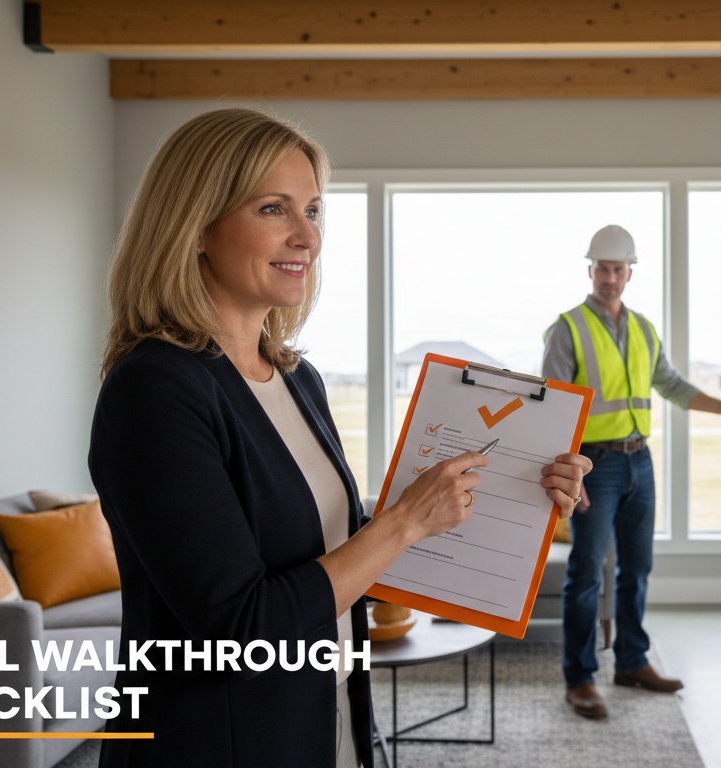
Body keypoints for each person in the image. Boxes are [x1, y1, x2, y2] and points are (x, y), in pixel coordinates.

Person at [88, 107, 590, 767]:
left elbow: (341, 559)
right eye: (274, 209)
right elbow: (241, 629)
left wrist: (516, 498)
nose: (307, 237)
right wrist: (402, 522)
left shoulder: (298, 379)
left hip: (331, 723)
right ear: (197, 226)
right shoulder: (154, 389)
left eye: (314, 211)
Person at [542, 224, 721, 719]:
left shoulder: (643, 328)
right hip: (595, 465)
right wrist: (569, 475)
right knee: (586, 573)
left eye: (618, 269)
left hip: (640, 460)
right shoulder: (569, 327)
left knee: (636, 568)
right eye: (602, 268)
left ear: (629, 273)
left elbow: (673, 385)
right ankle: (579, 678)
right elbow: (553, 406)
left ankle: (632, 662)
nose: (610, 277)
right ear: (591, 271)